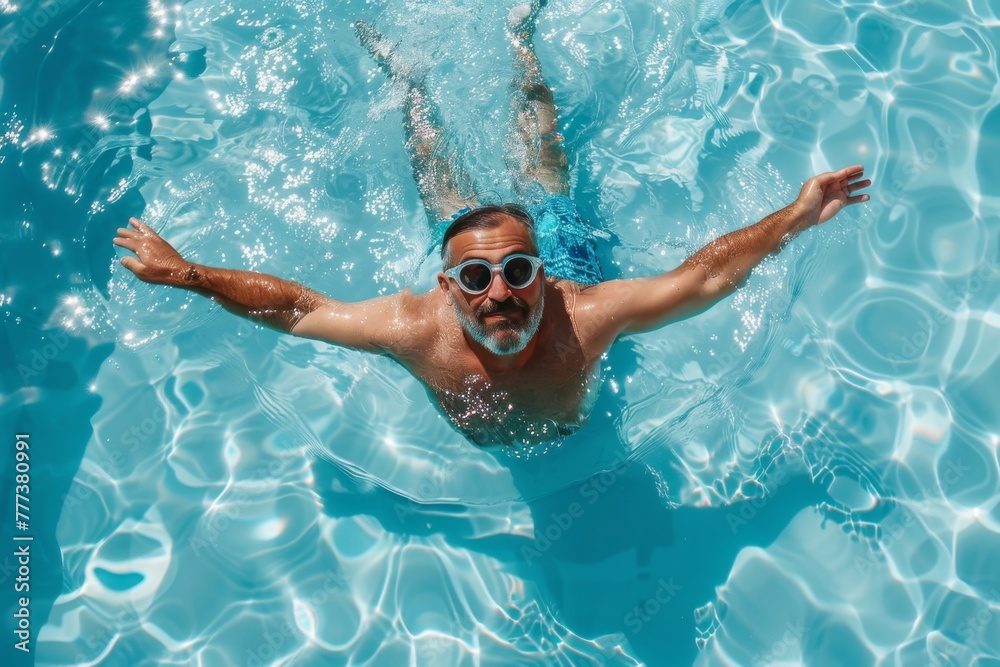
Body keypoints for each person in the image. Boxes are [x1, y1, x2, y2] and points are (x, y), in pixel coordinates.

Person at [114, 2, 871, 446]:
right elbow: (300, 307)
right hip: (490, 246)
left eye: (516, 271)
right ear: (448, 287)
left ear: (540, 274)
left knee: (546, 174)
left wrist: (796, 218)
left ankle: (521, 36)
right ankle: (409, 82)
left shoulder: (585, 314)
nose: (499, 294)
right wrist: (187, 274)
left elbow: (703, 276)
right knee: (443, 186)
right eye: (476, 278)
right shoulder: (417, 328)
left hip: (567, 241)